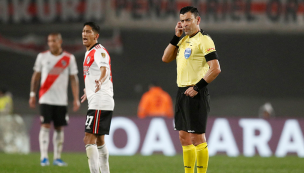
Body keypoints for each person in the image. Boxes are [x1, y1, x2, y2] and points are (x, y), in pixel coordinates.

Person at [162, 6, 221, 173]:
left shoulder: (204, 40)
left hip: (196, 92)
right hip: (181, 92)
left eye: (188, 20)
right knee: (183, 137)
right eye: (182, 20)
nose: (184, 24)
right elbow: (165, 58)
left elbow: (215, 68)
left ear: (198, 20)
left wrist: (197, 87)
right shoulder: (182, 39)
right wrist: (175, 36)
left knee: (197, 137)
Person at [29, 33, 80, 166]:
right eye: (49, 41)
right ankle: (44, 157)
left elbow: (74, 79)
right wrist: (32, 94)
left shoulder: (69, 58)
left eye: (54, 41)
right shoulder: (42, 57)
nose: (51, 43)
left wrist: (76, 98)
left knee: (59, 128)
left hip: (61, 100)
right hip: (45, 98)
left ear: (60, 41)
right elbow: (36, 76)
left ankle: (57, 157)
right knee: (45, 125)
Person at [81, 22, 114, 173]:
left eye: (88, 31)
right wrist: (88, 90)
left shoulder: (99, 51)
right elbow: (92, 74)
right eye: (83, 31)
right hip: (99, 99)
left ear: (96, 36)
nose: (84, 34)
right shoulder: (89, 52)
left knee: (88, 138)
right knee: (100, 140)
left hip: (100, 100)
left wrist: (100, 81)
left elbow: (104, 70)